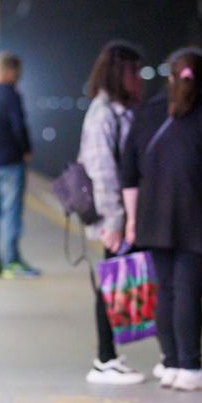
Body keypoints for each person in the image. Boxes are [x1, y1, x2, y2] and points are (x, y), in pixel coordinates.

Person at [120, 48, 202, 392]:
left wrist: (132, 220)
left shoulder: (145, 115)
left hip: (152, 216)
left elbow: (128, 175)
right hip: (199, 218)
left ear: (169, 76)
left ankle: (172, 363)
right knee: (189, 291)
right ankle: (190, 369)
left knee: (166, 290)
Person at [76, 41, 148, 384]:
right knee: (111, 284)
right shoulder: (103, 114)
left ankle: (109, 357)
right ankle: (104, 359)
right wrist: (116, 222)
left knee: (120, 280)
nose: (140, 79)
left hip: (120, 214)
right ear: (122, 73)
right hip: (114, 216)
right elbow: (103, 172)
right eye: (136, 72)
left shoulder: (119, 111)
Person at [0, 54, 41, 279]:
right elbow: (18, 126)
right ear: (11, 71)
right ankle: (12, 261)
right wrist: (26, 150)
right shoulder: (11, 95)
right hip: (10, 162)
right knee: (11, 213)